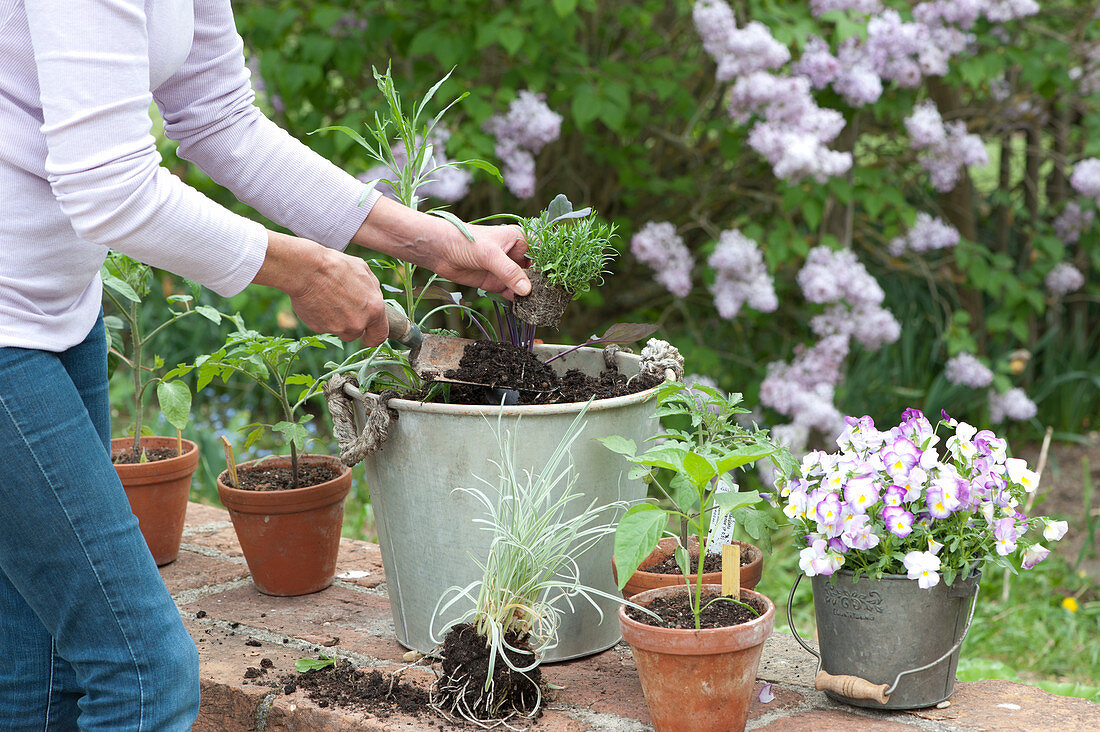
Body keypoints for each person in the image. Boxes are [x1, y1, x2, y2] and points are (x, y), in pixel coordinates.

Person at [0, 1, 530, 729]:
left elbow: (219, 119)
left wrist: (432, 243)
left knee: (45, 674)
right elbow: (109, 186)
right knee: (144, 673)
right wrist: (300, 269)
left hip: (53, 307)